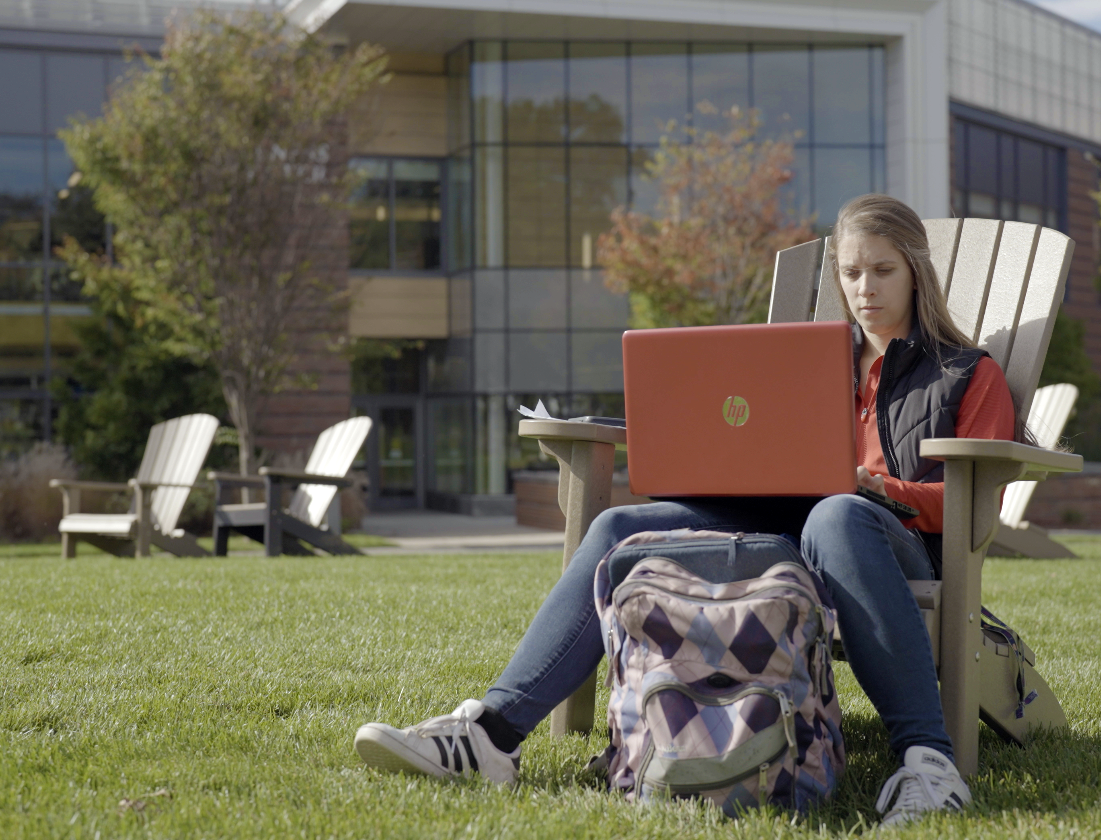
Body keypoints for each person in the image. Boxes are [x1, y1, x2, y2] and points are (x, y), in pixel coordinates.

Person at [352, 194, 1016, 826]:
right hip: (785, 527)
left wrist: (874, 486)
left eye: (882, 269)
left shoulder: (965, 372)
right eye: (850, 272)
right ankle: (490, 736)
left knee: (836, 513)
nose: (864, 286)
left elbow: (982, 495)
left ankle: (929, 763)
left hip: (881, 544)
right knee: (616, 526)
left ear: (916, 272)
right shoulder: (804, 367)